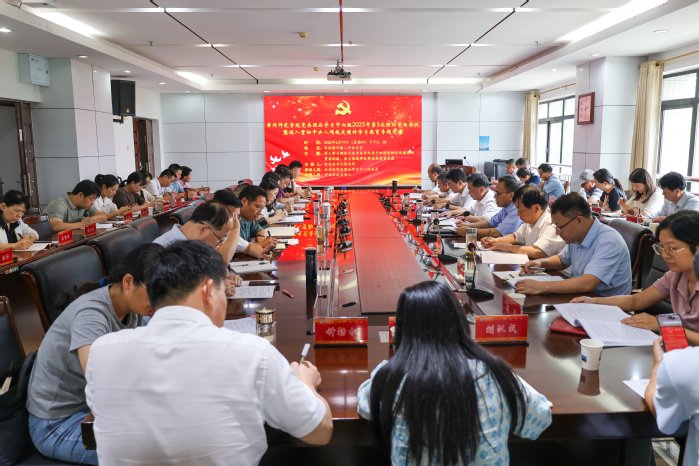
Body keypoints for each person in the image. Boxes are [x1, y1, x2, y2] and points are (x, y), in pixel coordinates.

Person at [85, 241, 333, 465]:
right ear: (207, 290)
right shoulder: (252, 353)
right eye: (223, 291)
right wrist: (305, 383)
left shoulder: (102, 353)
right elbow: (319, 431)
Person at [357, 281, 551, 466]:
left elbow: (365, 405)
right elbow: (541, 418)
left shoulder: (391, 378)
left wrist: (389, 366)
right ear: (459, 321)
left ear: (402, 330)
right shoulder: (492, 373)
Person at [27, 244, 161, 465]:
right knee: (153, 451)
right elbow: (99, 380)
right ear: (128, 282)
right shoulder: (91, 314)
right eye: (155, 292)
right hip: (57, 424)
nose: (159, 302)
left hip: (90, 411)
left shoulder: (133, 308)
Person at [571, 211, 699, 345]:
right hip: (679, 345)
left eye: (672, 248)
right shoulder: (676, 275)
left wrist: (663, 325)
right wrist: (593, 301)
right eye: (661, 247)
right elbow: (635, 300)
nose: (665, 255)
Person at [643, 250, 699, 466]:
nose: (666, 254)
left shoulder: (685, 365)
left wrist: (659, 366)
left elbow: (659, 411)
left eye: (672, 247)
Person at [516, 193, 631, 296]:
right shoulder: (577, 235)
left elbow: (588, 283)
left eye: (560, 227)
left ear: (579, 220)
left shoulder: (609, 241)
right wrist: (540, 263)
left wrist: (542, 286)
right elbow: (562, 260)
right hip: (582, 297)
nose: (557, 232)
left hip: (607, 304)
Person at [152, 201, 241, 295]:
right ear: (204, 229)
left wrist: (224, 277)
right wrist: (214, 289)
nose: (219, 245)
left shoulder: (196, 244)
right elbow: (170, 295)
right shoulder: (162, 249)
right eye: (220, 239)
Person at [481, 184, 565, 259]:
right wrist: (495, 241)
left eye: (520, 210)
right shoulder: (531, 220)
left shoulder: (552, 223)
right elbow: (515, 237)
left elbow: (538, 252)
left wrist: (506, 247)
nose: (518, 214)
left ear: (536, 208)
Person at [212, 189, 271, 261]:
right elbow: (224, 259)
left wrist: (262, 252)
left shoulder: (244, 219)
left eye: (237, 216)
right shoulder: (213, 230)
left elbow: (248, 247)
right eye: (258, 207)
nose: (236, 220)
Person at [456, 175, 521, 239]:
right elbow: (490, 223)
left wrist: (470, 231)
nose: (494, 196)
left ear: (511, 195)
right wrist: (468, 225)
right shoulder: (506, 207)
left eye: (498, 193)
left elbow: (499, 233)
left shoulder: (517, 210)